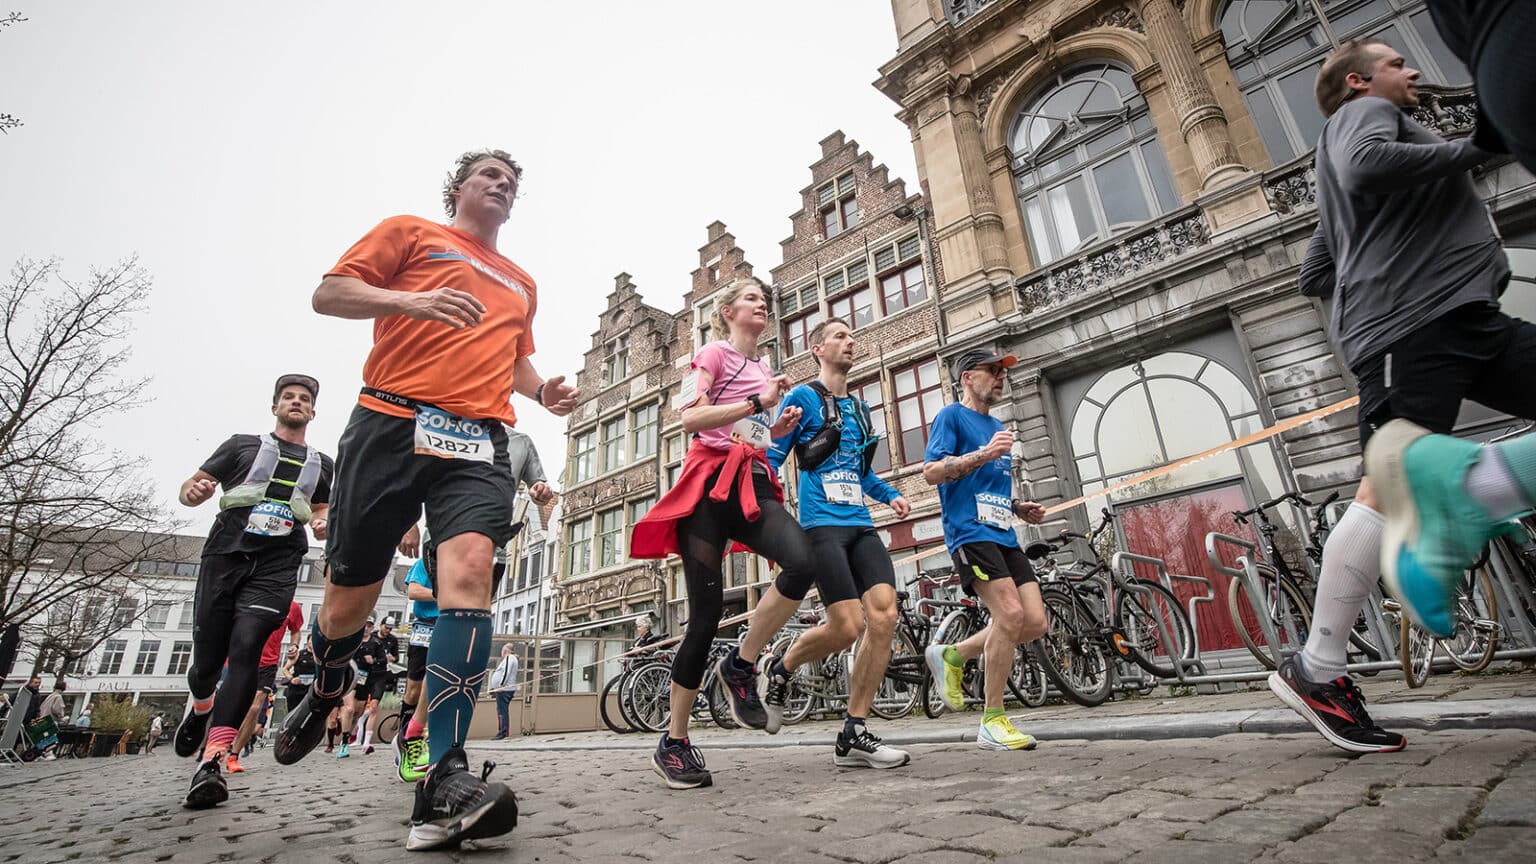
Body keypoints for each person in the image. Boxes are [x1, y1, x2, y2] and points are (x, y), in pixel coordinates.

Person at [277, 149, 574, 851]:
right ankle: (324, 684)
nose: (500, 185)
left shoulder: (521, 281)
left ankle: (443, 774)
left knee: (470, 578)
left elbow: (512, 355)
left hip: (478, 438)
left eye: (511, 180)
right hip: (390, 420)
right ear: (460, 188)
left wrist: (540, 393)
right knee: (349, 597)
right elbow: (329, 292)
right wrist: (409, 299)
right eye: (488, 175)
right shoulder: (411, 232)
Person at [1266, 38, 1536, 754]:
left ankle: (1488, 487)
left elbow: (1317, 268)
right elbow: (1365, 168)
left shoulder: (1365, 135)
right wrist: (1476, 147)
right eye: (1395, 64)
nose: (1411, 71)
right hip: (1413, 329)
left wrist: (1379, 256)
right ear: (1359, 81)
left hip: (1464, 317)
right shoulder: (1360, 118)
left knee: (1395, 481)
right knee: (1385, 490)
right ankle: (1317, 668)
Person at [629, 276, 810, 790]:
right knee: (704, 618)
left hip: (752, 481)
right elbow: (692, 419)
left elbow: (747, 433)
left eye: (764, 299)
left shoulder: (763, 367)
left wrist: (776, 427)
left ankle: (741, 664)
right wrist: (757, 407)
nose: (762, 304)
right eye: (752, 298)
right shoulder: (711, 354)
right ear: (727, 312)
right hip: (708, 490)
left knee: (802, 561)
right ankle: (675, 741)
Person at [751, 317, 912, 768]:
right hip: (821, 527)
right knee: (846, 627)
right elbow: (774, 457)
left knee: (884, 615)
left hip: (860, 524)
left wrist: (892, 495)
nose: (850, 341)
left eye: (851, 336)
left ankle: (854, 732)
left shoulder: (861, 410)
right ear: (816, 348)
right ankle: (781, 667)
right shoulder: (803, 397)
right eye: (840, 336)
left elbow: (861, 474)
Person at [175, 373, 333, 807]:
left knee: (246, 648)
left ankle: (212, 759)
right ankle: (201, 707)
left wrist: (321, 521)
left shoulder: (322, 463)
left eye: (304, 399)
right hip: (228, 549)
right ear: (275, 406)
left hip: (280, 560)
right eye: (288, 397)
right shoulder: (241, 445)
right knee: (207, 661)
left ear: (313, 411)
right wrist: (196, 491)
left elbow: (321, 509)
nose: (296, 403)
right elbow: (191, 489)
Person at [920, 349, 1048, 751]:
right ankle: (993, 720)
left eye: (1002, 372)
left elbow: (985, 489)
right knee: (1009, 614)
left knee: (1034, 622)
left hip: (1003, 533)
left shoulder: (996, 424)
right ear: (967, 377)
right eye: (991, 371)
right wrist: (986, 454)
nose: (999, 378)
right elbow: (932, 472)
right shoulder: (950, 418)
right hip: (969, 533)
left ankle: (954, 655)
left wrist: (1016, 507)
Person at [229, 599, 303, 773]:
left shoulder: (292, 606)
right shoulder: (252, 595)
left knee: (255, 708)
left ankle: (233, 755)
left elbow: (295, 631)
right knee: (234, 705)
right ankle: (218, 744)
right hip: (240, 658)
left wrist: (294, 645)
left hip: (268, 663)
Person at [394, 541, 440, 782]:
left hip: (446, 627)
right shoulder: (425, 563)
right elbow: (413, 591)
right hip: (424, 628)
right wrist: (439, 594)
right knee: (414, 689)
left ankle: (427, 742)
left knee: (435, 687)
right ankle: (405, 737)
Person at [335, 617, 376, 759]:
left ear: (372, 627)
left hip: (364, 680)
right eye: (364, 625)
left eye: (369, 626)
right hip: (349, 676)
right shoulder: (351, 638)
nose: (366, 628)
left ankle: (345, 731)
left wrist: (374, 660)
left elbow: (383, 662)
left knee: (357, 714)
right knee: (350, 708)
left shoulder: (375, 643)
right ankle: (344, 743)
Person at [359, 618, 400, 755]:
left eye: (390, 628)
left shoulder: (393, 640)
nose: (388, 630)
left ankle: (366, 742)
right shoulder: (373, 638)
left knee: (374, 707)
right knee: (359, 708)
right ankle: (357, 735)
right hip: (366, 675)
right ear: (381, 626)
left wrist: (390, 658)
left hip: (382, 674)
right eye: (386, 627)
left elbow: (396, 657)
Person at [489, 643, 519, 740]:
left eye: (502, 651)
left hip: (504, 689)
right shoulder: (511, 658)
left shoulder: (509, 658)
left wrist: (500, 685)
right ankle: (503, 731)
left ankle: (503, 732)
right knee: (502, 710)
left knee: (502, 711)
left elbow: (506, 672)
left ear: (505, 651)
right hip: (504, 689)